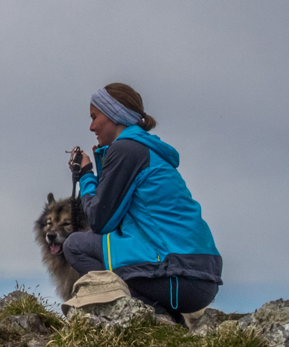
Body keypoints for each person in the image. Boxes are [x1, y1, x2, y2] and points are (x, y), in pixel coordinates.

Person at [64, 83, 222, 322]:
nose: (91, 126)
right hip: (199, 276)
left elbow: (99, 220)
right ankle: (166, 318)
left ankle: (146, 315)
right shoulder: (145, 149)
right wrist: (103, 160)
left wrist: (86, 174)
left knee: (75, 245)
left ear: (114, 114)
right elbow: (122, 212)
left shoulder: (127, 149)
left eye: (95, 117)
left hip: (178, 274)